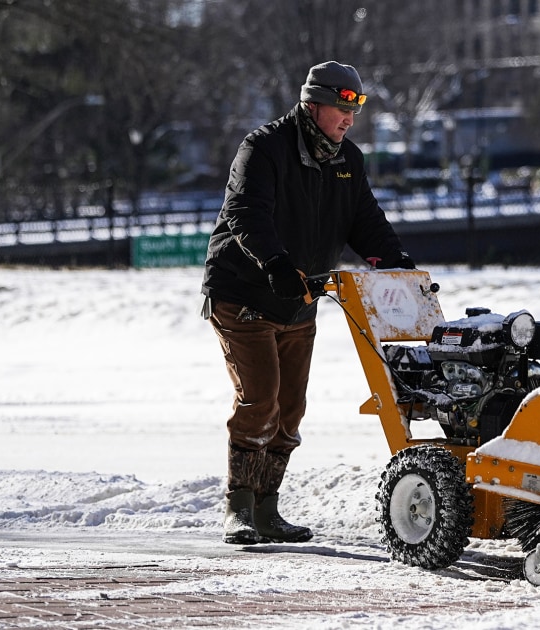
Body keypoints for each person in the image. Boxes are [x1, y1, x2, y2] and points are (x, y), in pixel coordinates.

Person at [201, 60, 414, 545]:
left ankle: (267, 509)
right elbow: (246, 214)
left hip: (299, 299)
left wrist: (395, 260)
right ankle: (239, 509)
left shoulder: (348, 160)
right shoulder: (263, 149)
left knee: (291, 408)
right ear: (312, 104)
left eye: (354, 110)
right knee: (262, 398)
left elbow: (366, 221)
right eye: (340, 107)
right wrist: (273, 262)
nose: (348, 119)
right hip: (245, 293)